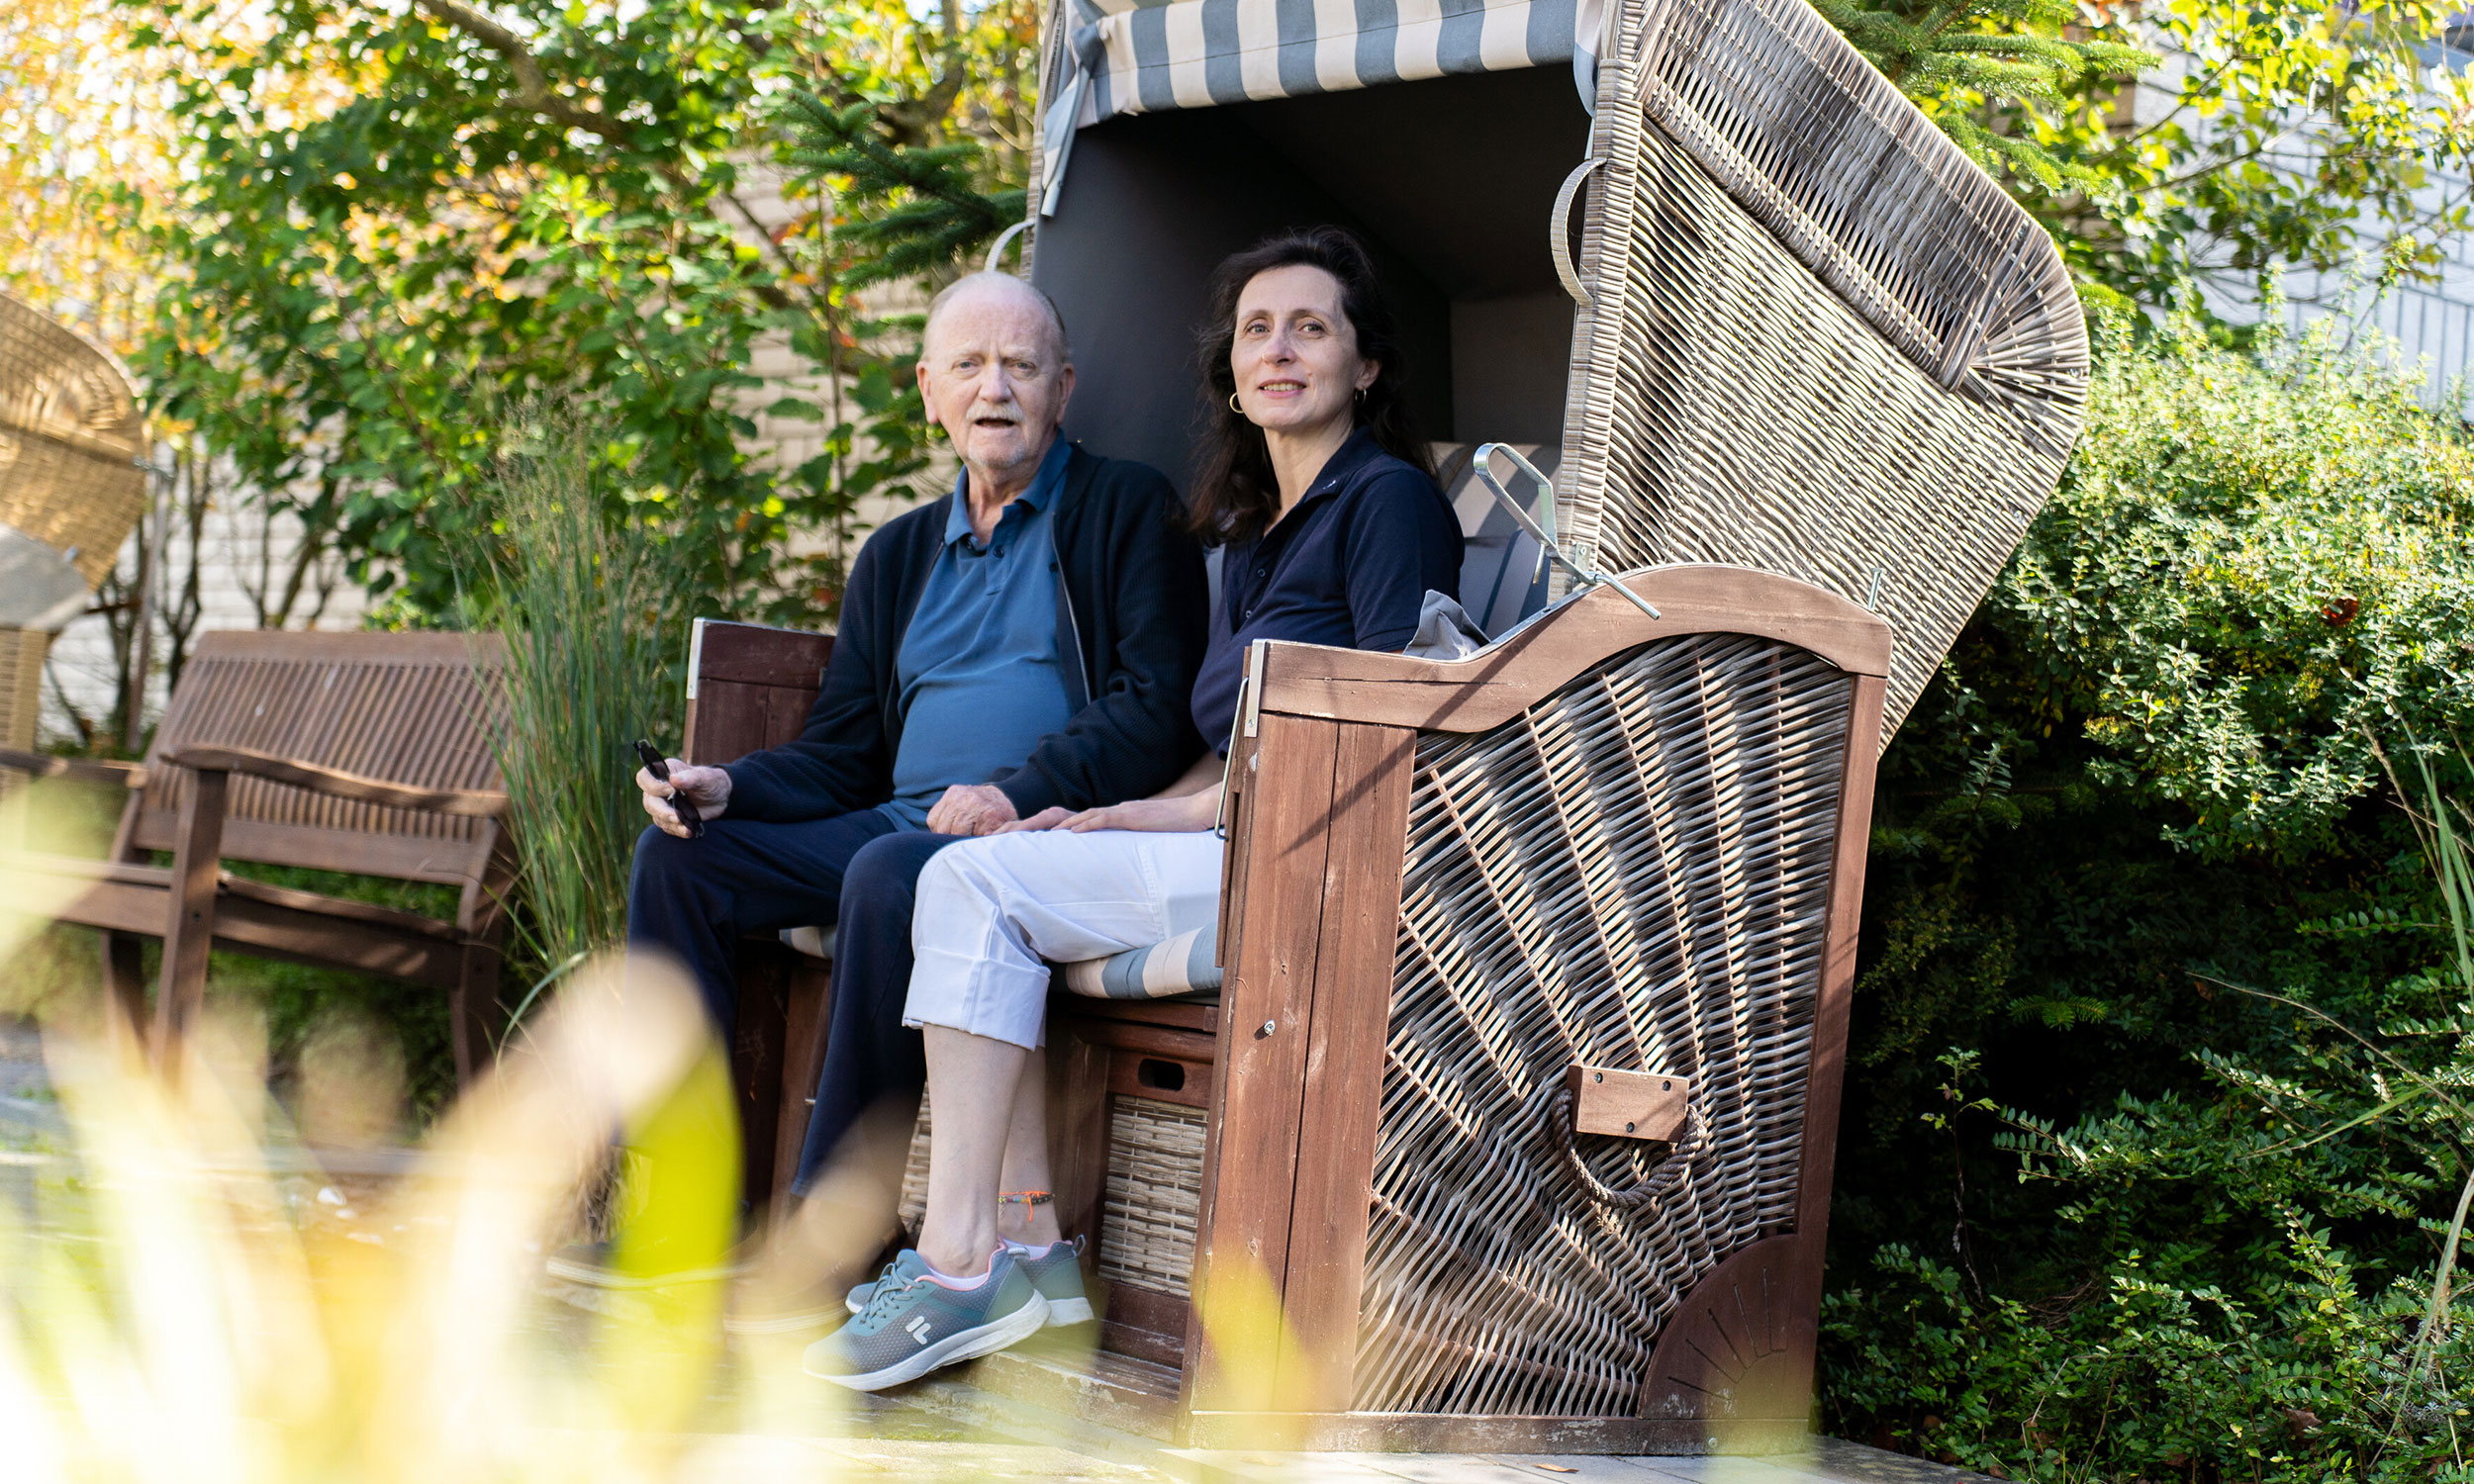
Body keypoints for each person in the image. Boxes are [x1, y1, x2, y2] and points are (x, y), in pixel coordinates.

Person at [799, 227, 1464, 1390]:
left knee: (965, 880)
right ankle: (1036, 1259)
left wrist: (1131, 823)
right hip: (1242, 832)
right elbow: (1231, 757)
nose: (1278, 349)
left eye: (1311, 326)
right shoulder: (1261, 533)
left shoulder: (1388, 502)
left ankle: (961, 1266)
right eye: (1256, 329)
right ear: (1230, 368)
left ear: (1365, 368)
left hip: (1326, 857)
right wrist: (1095, 820)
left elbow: (1375, 731)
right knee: (980, 876)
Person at [579, 271, 1208, 1289]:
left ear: (1063, 388)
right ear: (928, 389)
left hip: (1029, 842)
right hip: (893, 822)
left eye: (1019, 365)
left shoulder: (1124, 509)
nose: (992, 388)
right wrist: (728, 787)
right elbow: (844, 750)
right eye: (968, 365)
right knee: (679, 856)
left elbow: (1154, 701)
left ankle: (831, 1233)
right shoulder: (899, 553)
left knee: (886, 868)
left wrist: (1013, 793)